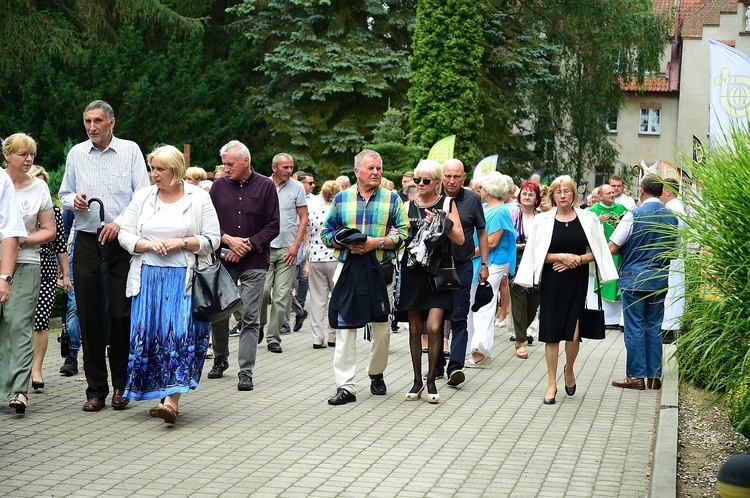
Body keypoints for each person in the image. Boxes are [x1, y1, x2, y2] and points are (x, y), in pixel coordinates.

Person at [59, 100, 151, 412]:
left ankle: (122, 386)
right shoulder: (76, 153)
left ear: (111, 122)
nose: (91, 127)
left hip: (120, 243)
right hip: (86, 240)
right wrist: (75, 200)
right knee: (89, 314)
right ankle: (96, 389)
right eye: (87, 121)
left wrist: (120, 223)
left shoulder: (130, 150)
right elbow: (63, 194)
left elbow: (143, 194)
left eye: (97, 121)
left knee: (121, 314)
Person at [118, 145, 220, 422]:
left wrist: (182, 242)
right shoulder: (142, 197)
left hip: (184, 281)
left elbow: (213, 239)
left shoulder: (198, 198)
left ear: (175, 171)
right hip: (148, 279)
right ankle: (160, 394)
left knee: (178, 337)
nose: (154, 174)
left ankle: (172, 400)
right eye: (152, 169)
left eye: (160, 169)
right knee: (151, 338)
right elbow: (125, 235)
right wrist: (147, 244)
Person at [515, 175, 618, 405]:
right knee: (551, 334)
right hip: (552, 281)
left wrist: (577, 259)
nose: (563, 195)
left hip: (576, 280)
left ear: (574, 195)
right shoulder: (543, 220)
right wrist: (559, 257)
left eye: (567, 191)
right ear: (552, 195)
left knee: (573, 334)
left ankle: (569, 370)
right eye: (558, 191)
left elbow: (600, 251)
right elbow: (535, 254)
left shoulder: (588, 218)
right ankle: (551, 383)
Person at [320, 149, 409, 406]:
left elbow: (404, 233)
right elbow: (327, 233)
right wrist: (346, 243)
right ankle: (345, 386)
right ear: (357, 171)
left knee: (381, 330)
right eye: (370, 168)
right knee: (345, 328)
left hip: (380, 271)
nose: (376, 173)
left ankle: (376, 373)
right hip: (348, 271)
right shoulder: (341, 199)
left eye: (379, 168)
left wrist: (377, 242)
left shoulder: (392, 200)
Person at [206, 141, 280, 389]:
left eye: (230, 164)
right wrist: (227, 240)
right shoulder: (217, 187)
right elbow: (209, 222)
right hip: (224, 259)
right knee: (219, 314)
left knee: (250, 316)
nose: (226, 168)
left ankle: (246, 371)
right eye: (224, 164)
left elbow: (273, 225)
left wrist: (247, 245)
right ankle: (220, 359)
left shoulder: (266, 186)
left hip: (255, 261)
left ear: (245, 161)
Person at [395, 159, 464, 404]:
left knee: (434, 327)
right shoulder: (406, 206)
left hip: (438, 273)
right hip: (413, 271)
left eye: (426, 181)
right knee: (415, 329)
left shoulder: (447, 203)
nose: (420, 185)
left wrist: (442, 223)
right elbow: (399, 236)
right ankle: (416, 381)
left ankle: (432, 379)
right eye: (417, 180)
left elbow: (460, 238)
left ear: (437, 183)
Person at [1, 134, 55, 414]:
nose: (29, 159)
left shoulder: (39, 189)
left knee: (19, 323)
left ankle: (20, 390)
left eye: (32, 154)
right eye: (23, 154)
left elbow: (49, 231)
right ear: (7, 155)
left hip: (27, 263)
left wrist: (20, 239)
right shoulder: (0, 183)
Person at [609, 175, 677, 390]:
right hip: (659, 279)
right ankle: (655, 377)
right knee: (655, 327)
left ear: (641, 191)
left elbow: (613, 246)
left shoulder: (633, 215)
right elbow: (674, 251)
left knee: (635, 327)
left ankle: (636, 377)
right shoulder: (672, 217)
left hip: (634, 279)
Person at [435, 159, 488, 387]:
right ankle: (436, 364)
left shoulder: (472, 199)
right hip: (435, 267)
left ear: (463, 178)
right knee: (435, 319)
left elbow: (482, 231)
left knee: (459, 316)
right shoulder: (434, 199)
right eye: (448, 176)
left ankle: (455, 367)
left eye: (456, 176)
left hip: (462, 266)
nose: (452, 181)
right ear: (442, 177)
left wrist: (484, 263)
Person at [466, 172, 516, 368]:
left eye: (482, 188)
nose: (480, 191)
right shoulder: (487, 208)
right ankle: (473, 347)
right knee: (474, 303)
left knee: (484, 305)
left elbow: (492, 242)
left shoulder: (500, 211)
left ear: (489, 190)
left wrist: (467, 254)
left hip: (493, 262)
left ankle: (481, 351)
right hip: (483, 261)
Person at [28, 165, 72, 390]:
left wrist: (65, 275)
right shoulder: (15, 206)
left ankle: (36, 369)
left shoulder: (54, 212)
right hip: (21, 265)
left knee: (41, 320)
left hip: (45, 268)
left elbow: (60, 246)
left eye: (43, 181)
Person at [261, 153, 308, 353]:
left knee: (281, 296)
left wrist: (296, 246)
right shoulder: (263, 185)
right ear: (274, 168)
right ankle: (258, 326)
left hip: (288, 249)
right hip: (263, 249)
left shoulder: (297, 188)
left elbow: (304, 218)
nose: (289, 170)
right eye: (285, 167)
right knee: (262, 293)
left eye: (291, 167)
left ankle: (273, 337)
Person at [306, 180, 342, 348]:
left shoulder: (314, 213)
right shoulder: (339, 214)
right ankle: (334, 335)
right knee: (337, 298)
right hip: (335, 258)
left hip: (316, 258)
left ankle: (317, 337)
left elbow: (309, 235)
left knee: (317, 299)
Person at [509, 180, 542, 359]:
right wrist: (518, 246)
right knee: (518, 301)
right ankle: (520, 341)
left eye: (531, 194)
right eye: (524, 193)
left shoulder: (542, 217)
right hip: (517, 262)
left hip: (537, 264)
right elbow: (506, 240)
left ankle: (521, 331)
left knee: (533, 303)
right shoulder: (513, 216)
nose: (527, 197)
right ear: (519, 196)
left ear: (536, 198)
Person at [588, 184, 628, 326]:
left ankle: (617, 319)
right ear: (600, 196)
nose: (612, 195)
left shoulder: (622, 209)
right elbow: (585, 230)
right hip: (601, 253)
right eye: (608, 193)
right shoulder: (593, 211)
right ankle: (603, 319)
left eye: (613, 192)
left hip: (618, 252)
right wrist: (597, 221)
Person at [660, 178, 686, 343]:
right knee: (675, 290)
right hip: (677, 255)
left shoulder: (670, 209)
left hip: (670, 255)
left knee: (671, 291)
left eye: (661, 190)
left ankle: (668, 327)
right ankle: (671, 325)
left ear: (668, 191)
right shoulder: (679, 207)